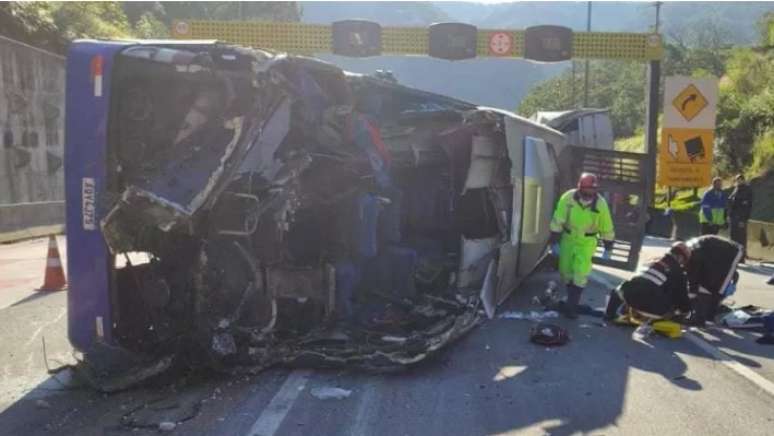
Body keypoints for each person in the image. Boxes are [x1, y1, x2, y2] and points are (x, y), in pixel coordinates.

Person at [549, 172, 615, 319]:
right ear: (580, 188)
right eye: (587, 189)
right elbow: (558, 219)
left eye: (592, 189)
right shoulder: (568, 198)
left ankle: (572, 306)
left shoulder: (600, 204)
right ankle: (571, 301)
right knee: (565, 270)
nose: (589, 193)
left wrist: (608, 246)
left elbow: (606, 226)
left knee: (580, 272)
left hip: (587, 242)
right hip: (568, 238)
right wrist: (554, 240)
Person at [605, 242, 692, 321]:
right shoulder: (678, 272)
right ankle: (653, 319)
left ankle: (609, 314)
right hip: (653, 309)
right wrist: (687, 311)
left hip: (629, 298)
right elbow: (681, 297)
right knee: (672, 301)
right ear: (680, 257)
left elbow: (639, 281)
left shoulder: (651, 260)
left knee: (621, 288)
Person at [683, 235, 743, 325]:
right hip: (714, 253)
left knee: (719, 287)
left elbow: (694, 277)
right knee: (707, 283)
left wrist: (692, 294)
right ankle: (705, 313)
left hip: (733, 252)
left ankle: (709, 317)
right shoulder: (688, 251)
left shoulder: (694, 257)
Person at [727, 174, 753, 262]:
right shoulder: (736, 189)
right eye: (737, 180)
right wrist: (729, 215)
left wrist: (743, 219)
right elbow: (731, 202)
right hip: (733, 218)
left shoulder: (747, 190)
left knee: (741, 238)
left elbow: (746, 207)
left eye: (740, 179)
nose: (738, 181)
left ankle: (741, 257)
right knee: (733, 237)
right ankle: (734, 256)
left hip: (740, 218)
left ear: (743, 180)